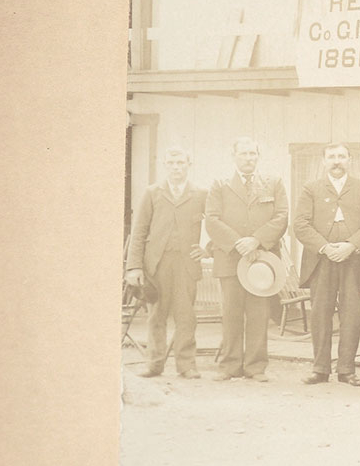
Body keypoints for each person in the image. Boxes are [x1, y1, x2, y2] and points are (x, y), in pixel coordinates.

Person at [293, 143, 360, 387]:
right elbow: (300, 224)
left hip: (353, 258)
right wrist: (326, 247)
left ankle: (346, 370)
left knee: (352, 313)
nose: (337, 161)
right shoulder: (311, 188)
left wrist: (351, 245)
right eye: (331, 157)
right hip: (321, 258)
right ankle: (320, 369)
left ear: (350, 160)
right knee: (320, 313)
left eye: (341, 156)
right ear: (324, 161)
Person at [204, 138, 289, 382]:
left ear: (258, 156)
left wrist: (256, 240)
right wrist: (238, 243)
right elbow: (212, 219)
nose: (248, 158)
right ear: (234, 156)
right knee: (231, 313)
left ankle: (255, 367)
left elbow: (282, 217)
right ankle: (230, 366)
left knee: (258, 314)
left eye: (253, 154)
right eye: (243, 154)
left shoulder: (273, 183)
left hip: (261, 259)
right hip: (230, 259)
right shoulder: (219, 185)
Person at [124, 145, 207, 378]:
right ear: (165, 166)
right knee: (156, 316)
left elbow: (215, 223)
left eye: (180, 163)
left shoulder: (201, 193)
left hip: (186, 265)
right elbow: (139, 231)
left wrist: (208, 250)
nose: (176, 168)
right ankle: (154, 364)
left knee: (186, 317)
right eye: (171, 163)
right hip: (156, 265)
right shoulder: (152, 193)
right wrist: (134, 267)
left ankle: (187, 365)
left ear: (188, 165)